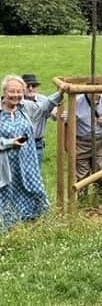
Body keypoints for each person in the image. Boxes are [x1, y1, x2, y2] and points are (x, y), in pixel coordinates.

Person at [0, 75, 49, 231]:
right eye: (12, 91)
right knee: (6, 193)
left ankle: (27, 224)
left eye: (19, 91)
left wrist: (61, 92)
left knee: (30, 189)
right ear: (4, 92)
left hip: (26, 162)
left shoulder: (23, 110)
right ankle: (5, 227)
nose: (15, 95)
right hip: (5, 165)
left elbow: (46, 107)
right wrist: (9, 143)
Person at [73, 93, 102, 200]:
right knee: (82, 174)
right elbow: (67, 121)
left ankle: (101, 198)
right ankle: (82, 200)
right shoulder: (77, 101)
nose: (95, 92)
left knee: (101, 170)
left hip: (100, 141)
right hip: (82, 142)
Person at [22, 73, 62, 167]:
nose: (31, 88)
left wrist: (58, 114)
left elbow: (54, 114)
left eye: (34, 86)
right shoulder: (17, 100)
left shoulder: (43, 99)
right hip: (19, 142)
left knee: (35, 173)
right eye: (27, 86)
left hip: (37, 143)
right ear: (22, 87)